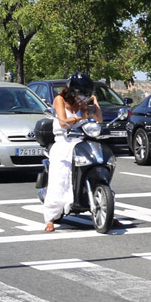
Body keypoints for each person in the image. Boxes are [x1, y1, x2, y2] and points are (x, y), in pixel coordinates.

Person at [42, 72, 103, 232]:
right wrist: (81, 117)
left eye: (85, 94)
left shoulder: (81, 102)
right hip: (63, 142)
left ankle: (105, 209)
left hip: (80, 142)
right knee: (60, 178)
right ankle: (51, 218)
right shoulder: (59, 99)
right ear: (72, 90)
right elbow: (63, 123)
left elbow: (99, 119)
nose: (81, 97)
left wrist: (95, 102)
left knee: (96, 166)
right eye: (80, 93)